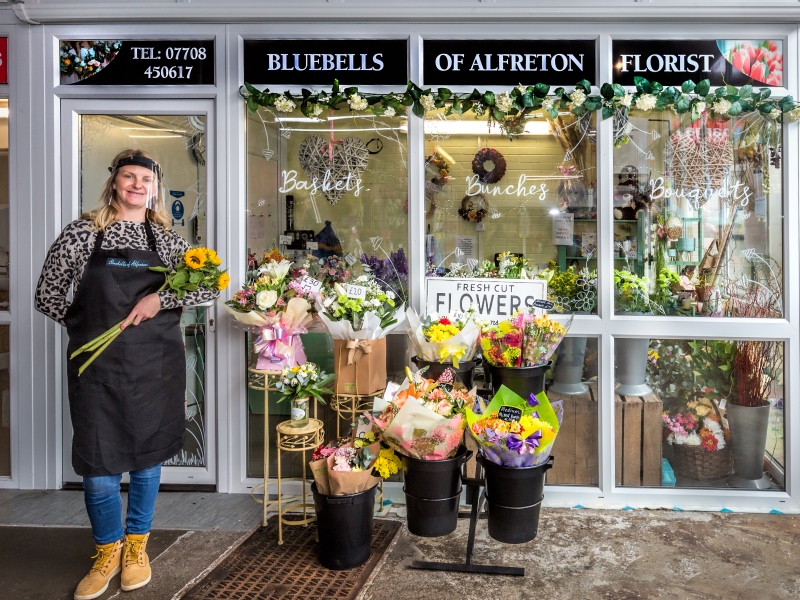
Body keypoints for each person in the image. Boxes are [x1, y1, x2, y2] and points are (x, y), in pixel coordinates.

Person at [35, 149, 218, 600]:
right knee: (98, 465)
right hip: (97, 366)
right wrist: (94, 325)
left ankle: (137, 547)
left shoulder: (167, 240)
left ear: (154, 187)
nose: (137, 184)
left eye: (145, 178)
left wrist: (162, 300)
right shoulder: (83, 233)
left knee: (147, 460)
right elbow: (47, 295)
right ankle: (106, 551)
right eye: (128, 176)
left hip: (155, 366)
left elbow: (210, 285)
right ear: (114, 182)